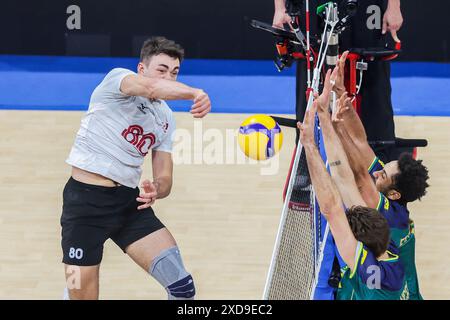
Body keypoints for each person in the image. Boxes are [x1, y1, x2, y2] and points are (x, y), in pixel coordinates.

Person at [61, 36, 211, 300]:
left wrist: (157, 189)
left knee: (182, 288)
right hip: (85, 204)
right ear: (142, 69)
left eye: (174, 73)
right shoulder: (118, 80)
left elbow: (165, 176)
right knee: (81, 296)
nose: (168, 78)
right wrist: (195, 93)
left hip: (129, 205)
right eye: (161, 70)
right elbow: (152, 88)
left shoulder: (166, 118)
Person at [329, 53, 429, 299]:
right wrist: (344, 98)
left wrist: (337, 127)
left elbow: (361, 178)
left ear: (394, 194)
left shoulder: (391, 216)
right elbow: (362, 144)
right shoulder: (392, 197)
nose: (377, 173)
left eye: (383, 175)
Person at [298, 92, 405, 300]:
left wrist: (310, 145)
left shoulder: (368, 270)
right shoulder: (388, 250)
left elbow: (332, 209)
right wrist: (325, 118)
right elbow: (346, 181)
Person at [273, 0, 404, 163]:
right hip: (315, 6)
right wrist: (279, 8)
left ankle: (379, 159)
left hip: (367, 8)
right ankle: (309, 158)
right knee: (313, 67)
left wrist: (394, 7)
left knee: (372, 69)